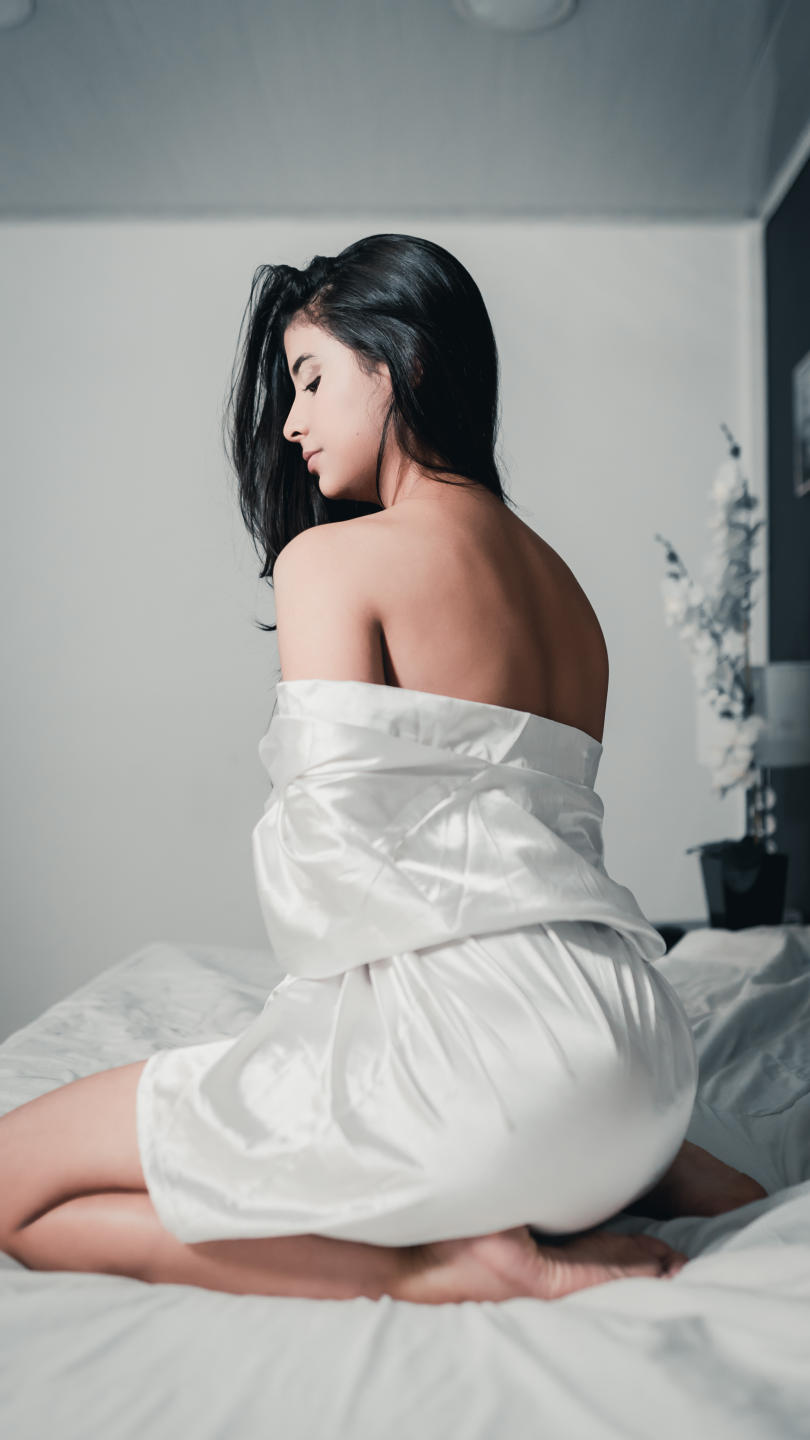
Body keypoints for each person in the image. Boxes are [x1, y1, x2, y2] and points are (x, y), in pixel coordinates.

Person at [0, 234, 766, 1305]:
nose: (290, 421)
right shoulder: (571, 597)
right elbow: (545, 869)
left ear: (398, 364)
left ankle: (430, 1266)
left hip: (501, 1088)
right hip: (640, 1069)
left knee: (12, 1184)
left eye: (311, 379)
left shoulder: (330, 562)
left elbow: (328, 876)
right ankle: (611, 1172)